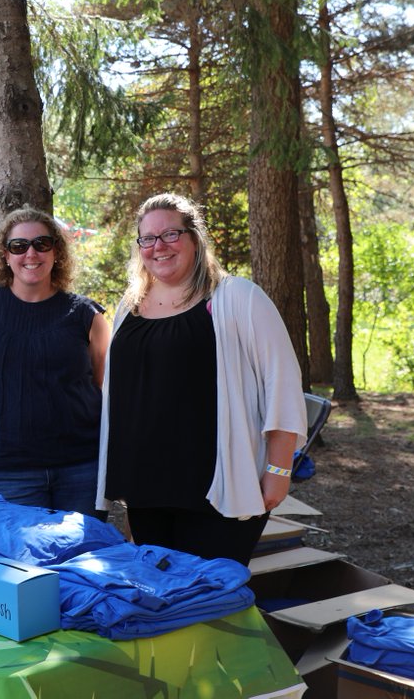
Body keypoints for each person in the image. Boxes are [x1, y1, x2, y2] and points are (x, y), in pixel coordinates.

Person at [96, 193, 307, 565]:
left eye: (171, 235)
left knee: (212, 595)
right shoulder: (129, 308)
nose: (158, 246)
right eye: (148, 238)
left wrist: (278, 469)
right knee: (166, 594)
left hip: (218, 487)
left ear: (195, 238)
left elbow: (282, 383)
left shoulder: (237, 297)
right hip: (147, 488)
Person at [0, 206, 109, 516]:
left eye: (42, 244)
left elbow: (103, 388)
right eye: (19, 246)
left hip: (82, 469)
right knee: (19, 565)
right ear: (5, 254)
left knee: (83, 562)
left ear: (57, 251)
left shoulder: (86, 314)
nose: (31, 253)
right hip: (8, 471)